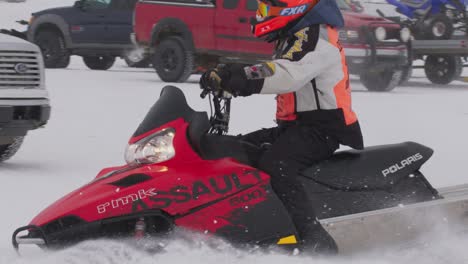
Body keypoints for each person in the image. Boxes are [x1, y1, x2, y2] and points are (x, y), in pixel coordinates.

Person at [200, 0, 363, 254]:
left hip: (323, 130)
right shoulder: (298, 34)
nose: (259, 15)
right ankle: (251, 226)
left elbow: (287, 74)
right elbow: (275, 72)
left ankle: (314, 238)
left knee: (277, 165)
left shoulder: (317, 37)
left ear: (291, 7)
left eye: (265, 9)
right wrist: (228, 77)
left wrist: (240, 78)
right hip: (297, 127)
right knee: (238, 149)